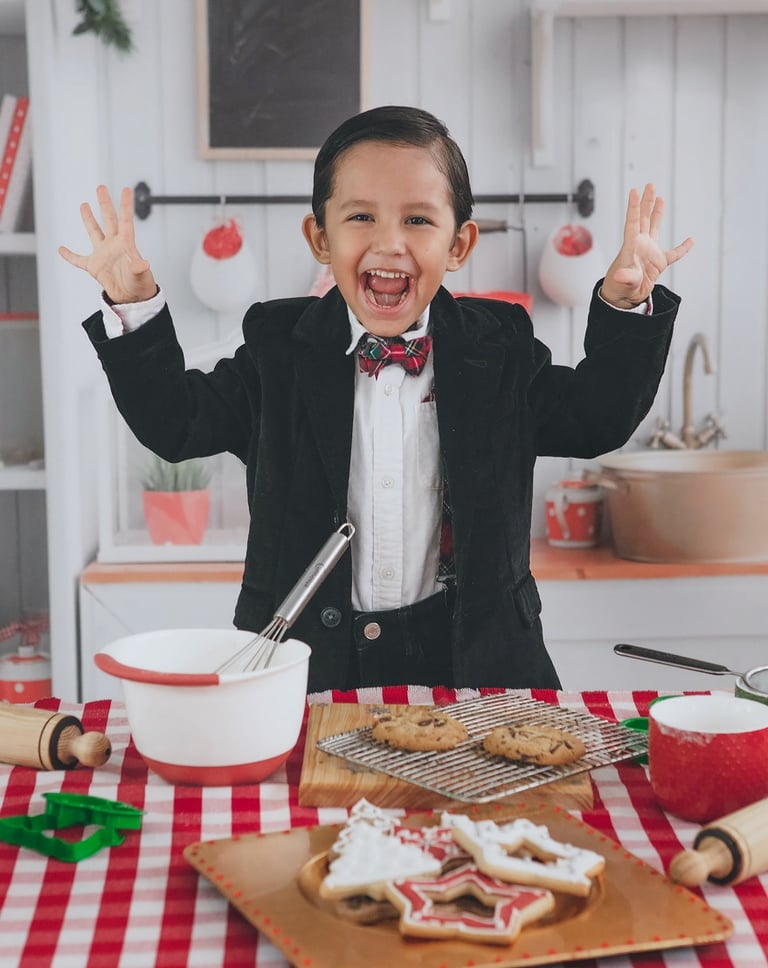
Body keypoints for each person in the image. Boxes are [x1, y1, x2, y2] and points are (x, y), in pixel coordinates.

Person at [59, 105, 693, 694]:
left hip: (480, 663)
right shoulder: (277, 349)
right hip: (308, 666)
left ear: (458, 245)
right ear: (320, 238)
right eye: (361, 217)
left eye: (418, 219)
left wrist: (627, 307)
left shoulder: (499, 349)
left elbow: (596, 418)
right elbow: (177, 422)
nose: (390, 242)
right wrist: (135, 305)